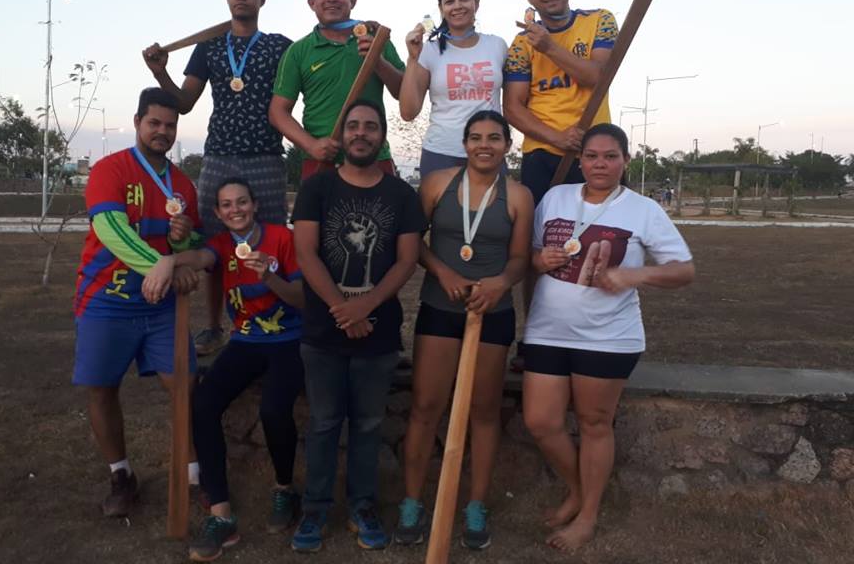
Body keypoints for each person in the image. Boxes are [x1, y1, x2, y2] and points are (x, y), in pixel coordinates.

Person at [521, 123, 695, 552]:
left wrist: (635, 274)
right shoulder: (555, 198)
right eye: (593, 156)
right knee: (541, 422)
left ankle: (588, 515)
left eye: (611, 156)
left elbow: (683, 269)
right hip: (547, 331)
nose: (601, 164)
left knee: (595, 423)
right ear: (580, 161)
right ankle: (578, 490)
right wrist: (539, 257)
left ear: (625, 161)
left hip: (608, 338)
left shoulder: (643, 210)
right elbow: (526, 254)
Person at [141, 178, 305, 562]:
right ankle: (221, 514)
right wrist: (168, 260)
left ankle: (284, 489)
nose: (236, 210)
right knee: (202, 404)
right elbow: (199, 259)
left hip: (289, 341)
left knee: (274, 410)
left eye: (242, 202)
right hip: (246, 342)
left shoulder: (283, 238)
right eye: (227, 205)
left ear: (254, 205)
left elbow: (303, 300)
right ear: (218, 213)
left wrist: (269, 276)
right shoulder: (220, 245)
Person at [288, 99, 426, 552]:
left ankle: (362, 508)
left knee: (368, 425)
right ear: (342, 134)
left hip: (378, 333)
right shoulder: (317, 187)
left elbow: (407, 260)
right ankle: (315, 511)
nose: (361, 133)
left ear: (382, 136)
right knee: (325, 423)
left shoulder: (401, 195)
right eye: (353, 126)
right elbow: (306, 252)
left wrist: (365, 305)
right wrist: (341, 308)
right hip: (324, 333)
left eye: (370, 126)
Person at [395, 111, 533, 550]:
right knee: (425, 406)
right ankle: (412, 503)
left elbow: (518, 259)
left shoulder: (519, 195)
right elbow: (413, 243)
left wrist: (499, 284)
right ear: (465, 143)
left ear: (507, 145)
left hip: (492, 312)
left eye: (494, 138)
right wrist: (444, 274)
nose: (484, 145)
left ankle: (475, 505)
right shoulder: (437, 185)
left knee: (485, 411)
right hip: (441, 306)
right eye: (476, 138)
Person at [142, 0, 292, 356]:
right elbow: (186, 103)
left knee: (272, 242)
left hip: (265, 157)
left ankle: (275, 320)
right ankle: (213, 327)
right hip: (220, 157)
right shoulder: (208, 46)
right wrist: (161, 73)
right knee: (215, 243)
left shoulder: (280, 46)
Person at [72, 87, 204, 518]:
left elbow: (197, 239)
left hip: (161, 304)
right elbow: (110, 229)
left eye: (170, 125)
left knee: (183, 386)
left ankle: (195, 473)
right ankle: (121, 475)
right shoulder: (110, 169)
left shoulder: (182, 184)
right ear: (137, 122)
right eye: (155, 123)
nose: (162, 131)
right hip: (106, 298)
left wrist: (182, 245)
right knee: (102, 387)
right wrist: (162, 263)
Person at [503, 0, 620, 371]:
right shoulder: (520, 45)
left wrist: (550, 46)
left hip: (594, 153)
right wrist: (556, 137)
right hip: (543, 155)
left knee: (599, 242)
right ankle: (534, 338)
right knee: (539, 248)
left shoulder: (600, 22)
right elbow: (514, 108)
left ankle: (591, 334)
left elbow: (598, 77)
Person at [269, 0, 405, 180]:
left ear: (352, 0)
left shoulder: (377, 39)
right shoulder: (297, 51)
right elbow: (278, 112)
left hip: (375, 157)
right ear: (312, 3)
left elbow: (402, 92)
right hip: (322, 161)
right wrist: (311, 145)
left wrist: (376, 60)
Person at [399, 0, 509, 178]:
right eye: (449, 1)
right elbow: (408, 112)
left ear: (477, 1)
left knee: (495, 210)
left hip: (489, 151)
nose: (457, 6)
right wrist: (413, 58)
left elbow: (513, 105)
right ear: (441, 8)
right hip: (441, 153)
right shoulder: (428, 50)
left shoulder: (497, 46)